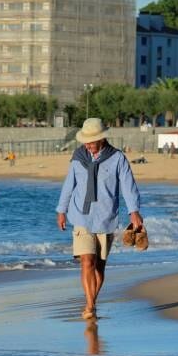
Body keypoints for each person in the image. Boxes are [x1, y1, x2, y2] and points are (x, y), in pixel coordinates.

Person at [56, 118, 143, 321]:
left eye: (92, 141)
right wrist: (61, 211)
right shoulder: (78, 157)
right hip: (81, 215)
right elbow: (69, 185)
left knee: (99, 266)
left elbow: (128, 187)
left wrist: (134, 211)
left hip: (106, 217)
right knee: (87, 261)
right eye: (86, 141)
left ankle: (91, 302)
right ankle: (90, 305)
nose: (88, 145)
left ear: (102, 139)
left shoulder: (117, 158)